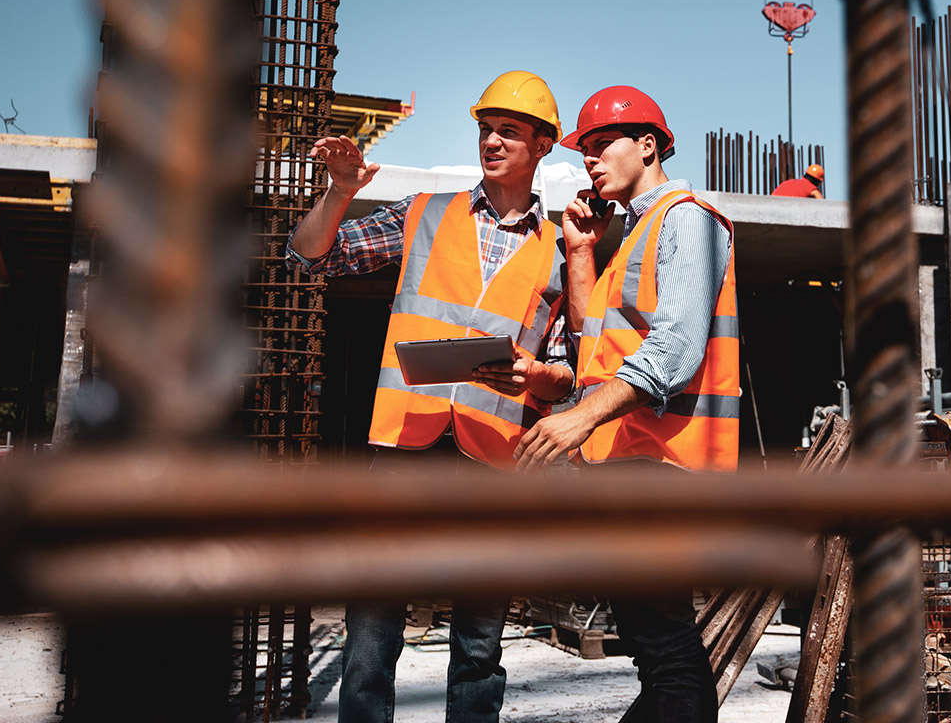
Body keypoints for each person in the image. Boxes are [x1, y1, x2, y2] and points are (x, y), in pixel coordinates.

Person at [287, 70, 577, 723]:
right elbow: (309, 259)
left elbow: (571, 372)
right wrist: (339, 195)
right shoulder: (425, 212)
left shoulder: (561, 251)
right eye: (485, 129)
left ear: (543, 146)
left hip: (494, 462)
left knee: (478, 646)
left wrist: (535, 376)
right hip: (404, 445)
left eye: (509, 131)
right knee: (370, 637)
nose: (493, 141)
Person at [515, 85, 738, 723]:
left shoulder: (686, 218)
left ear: (647, 145)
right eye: (583, 149)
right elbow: (595, 345)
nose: (588, 159)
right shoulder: (634, 233)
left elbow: (678, 348)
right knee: (650, 642)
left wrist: (580, 417)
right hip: (634, 463)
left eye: (601, 144)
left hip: (669, 465)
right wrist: (581, 253)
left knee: (665, 645)